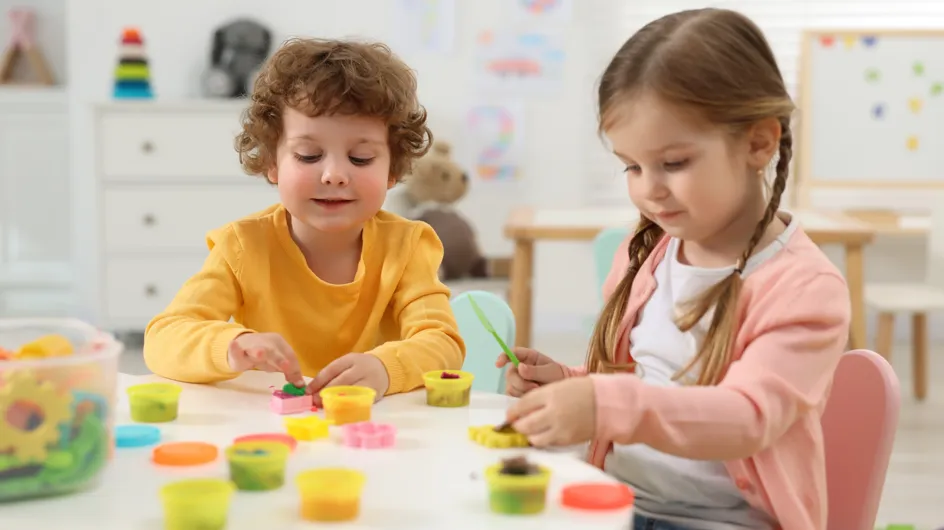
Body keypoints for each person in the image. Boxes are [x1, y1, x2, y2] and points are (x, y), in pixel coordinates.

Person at [498, 9, 850, 530]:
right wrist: (568, 387)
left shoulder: (805, 289)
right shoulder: (647, 256)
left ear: (758, 143)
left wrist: (602, 402)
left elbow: (747, 416)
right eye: (632, 166)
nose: (648, 189)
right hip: (617, 503)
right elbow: (645, 384)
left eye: (674, 163)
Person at [143, 38, 465, 403]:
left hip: (375, 426)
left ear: (393, 169)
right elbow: (163, 338)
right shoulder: (242, 246)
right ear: (272, 162)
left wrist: (386, 369)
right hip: (279, 429)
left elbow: (442, 342)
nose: (334, 175)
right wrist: (234, 345)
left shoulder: (407, 247)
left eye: (360, 158)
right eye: (309, 155)